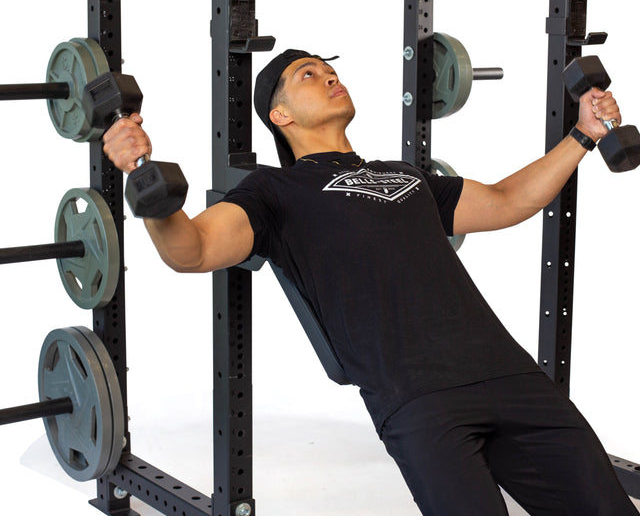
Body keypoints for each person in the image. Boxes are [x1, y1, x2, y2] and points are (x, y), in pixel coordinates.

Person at [103, 49, 638, 515]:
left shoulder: (405, 175)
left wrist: (583, 135)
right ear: (280, 114)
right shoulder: (273, 192)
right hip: (417, 398)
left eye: (329, 70)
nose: (329, 76)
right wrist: (145, 186)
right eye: (308, 75)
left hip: (511, 375)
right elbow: (191, 250)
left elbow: (507, 201)